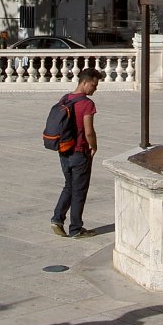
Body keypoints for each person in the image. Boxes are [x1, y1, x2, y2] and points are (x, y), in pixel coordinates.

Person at [51, 68, 105, 239]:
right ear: (84, 82)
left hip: (64, 150)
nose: (95, 89)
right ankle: (76, 229)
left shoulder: (65, 98)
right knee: (79, 190)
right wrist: (94, 146)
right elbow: (89, 131)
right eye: (93, 85)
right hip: (80, 152)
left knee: (69, 185)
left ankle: (57, 219)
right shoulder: (87, 104)